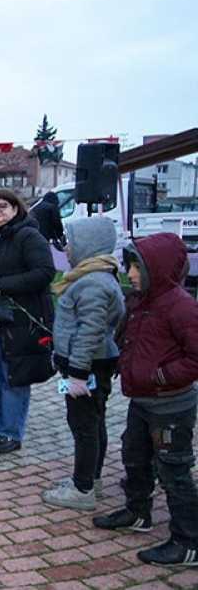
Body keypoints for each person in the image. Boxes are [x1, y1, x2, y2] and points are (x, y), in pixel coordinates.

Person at [92, 233, 198, 566]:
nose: (130, 273)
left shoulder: (180, 306)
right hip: (142, 401)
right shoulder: (141, 302)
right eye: (129, 265)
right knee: (134, 456)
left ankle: (187, 541)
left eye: (136, 266)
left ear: (158, 267)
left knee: (174, 470)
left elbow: (195, 358)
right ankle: (138, 512)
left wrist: (159, 377)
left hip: (170, 405)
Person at [41, 216, 124, 511]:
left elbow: (90, 332)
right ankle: (91, 478)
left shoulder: (93, 282)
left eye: (72, 241)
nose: (68, 247)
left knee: (84, 426)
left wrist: (76, 373)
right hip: (89, 364)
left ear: (89, 244)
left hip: (87, 366)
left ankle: (83, 487)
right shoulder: (92, 276)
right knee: (93, 422)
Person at [0, 189, 56, 454]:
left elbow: (45, 272)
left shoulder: (28, 235)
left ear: (15, 208)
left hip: (18, 318)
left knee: (14, 376)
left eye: (2, 206)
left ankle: (11, 432)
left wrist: (6, 285)